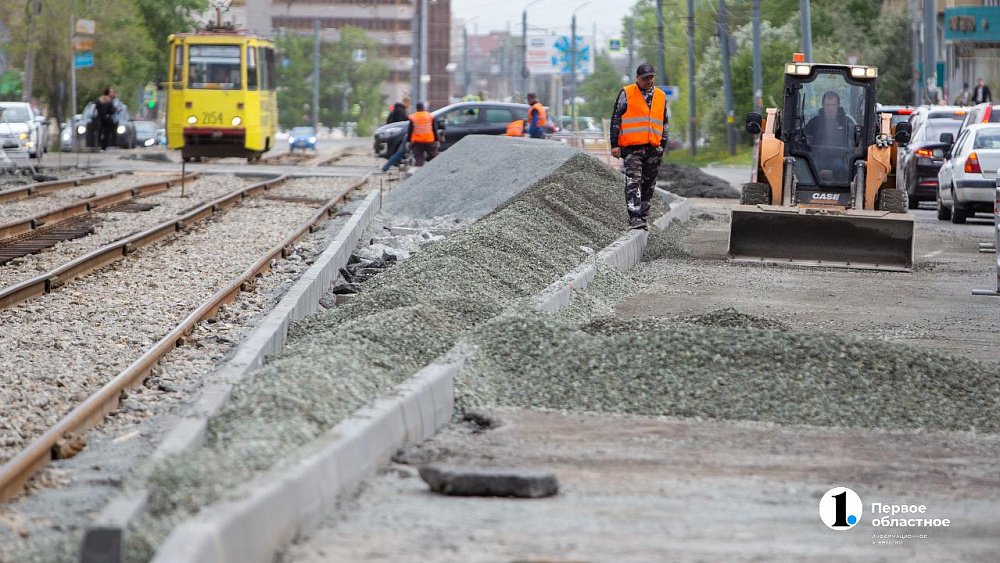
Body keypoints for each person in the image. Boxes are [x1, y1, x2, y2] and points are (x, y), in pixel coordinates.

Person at [610, 62, 669, 230]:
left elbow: (664, 122)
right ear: (637, 78)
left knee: (649, 183)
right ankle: (634, 217)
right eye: (645, 78)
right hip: (632, 148)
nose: (649, 81)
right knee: (634, 181)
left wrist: (662, 145)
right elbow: (616, 118)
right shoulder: (627, 93)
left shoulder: (660, 96)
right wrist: (614, 144)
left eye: (651, 77)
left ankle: (643, 216)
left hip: (653, 148)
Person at [803, 90, 856, 182]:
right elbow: (804, 137)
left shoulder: (847, 122)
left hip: (839, 158)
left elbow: (857, 140)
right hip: (818, 158)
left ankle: (843, 188)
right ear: (823, 105)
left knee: (846, 169)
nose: (830, 108)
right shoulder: (814, 122)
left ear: (838, 105)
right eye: (827, 105)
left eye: (833, 105)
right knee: (806, 168)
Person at [381, 99, 412, 172]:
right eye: (409, 103)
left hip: (400, 134)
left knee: (400, 152)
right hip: (400, 134)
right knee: (400, 152)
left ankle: (387, 167)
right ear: (405, 102)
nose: (409, 105)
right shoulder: (400, 111)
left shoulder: (399, 110)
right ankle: (387, 167)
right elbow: (402, 123)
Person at [407, 102, 438, 167]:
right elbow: (434, 129)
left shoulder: (413, 117)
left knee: (418, 158)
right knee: (434, 157)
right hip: (429, 140)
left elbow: (410, 130)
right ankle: (436, 168)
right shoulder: (429, 116)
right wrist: (436, 140)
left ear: (416, 108)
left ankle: (419, 170)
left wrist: (408, 141)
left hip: (418, 142)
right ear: (423, 108)